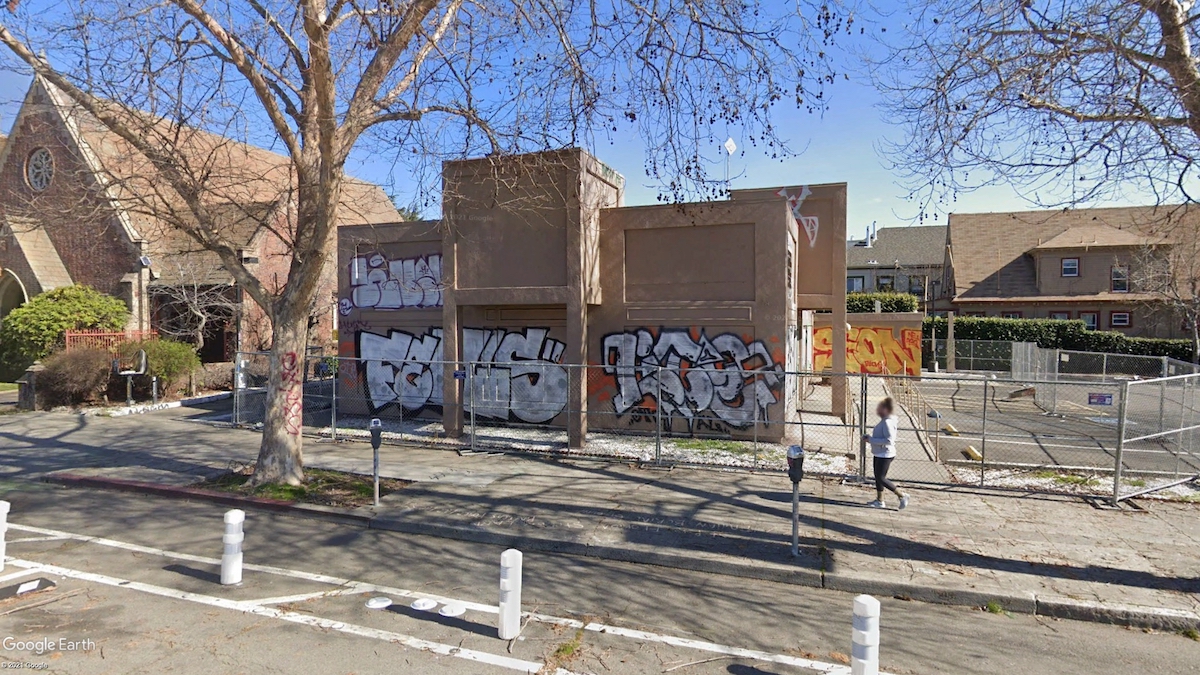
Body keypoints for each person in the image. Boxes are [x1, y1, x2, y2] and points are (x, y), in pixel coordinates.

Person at [862, 397, 909, 510]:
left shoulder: (888, 422)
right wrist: (870, 438)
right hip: (879, 453)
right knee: (878, 477)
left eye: (880, 408)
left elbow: (889, 440)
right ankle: (880, 500)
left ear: (886, 409)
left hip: (885, 454)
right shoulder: (886, 420)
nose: (877, 410)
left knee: (881, 478)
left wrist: (871, 440)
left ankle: (901, 495)